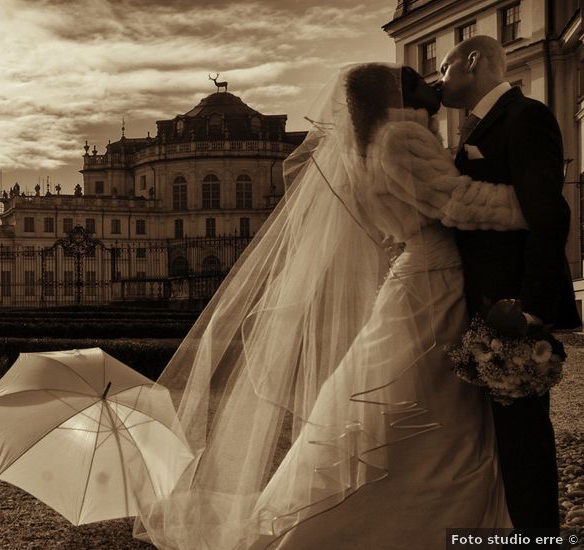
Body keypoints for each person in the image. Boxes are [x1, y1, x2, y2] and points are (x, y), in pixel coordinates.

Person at [131, 63, 523, 549]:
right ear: (392, 94)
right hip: (434, 277)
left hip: (418, 272)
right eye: (415, 77)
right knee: (430, 402)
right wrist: (531, 204)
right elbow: (457, 202)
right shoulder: (400, 138)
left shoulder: (361, 149)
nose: (433, 82)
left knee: (404, 401)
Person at [436, 35, 582, 538]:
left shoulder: (526, 116)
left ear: (472, 61)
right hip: (480, 309)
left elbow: (548, 216)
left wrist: (532, 312)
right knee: (503, 444)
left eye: (444, 65)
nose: (440, 77)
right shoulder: (475, 126)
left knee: (525, 447)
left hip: (509, 312)